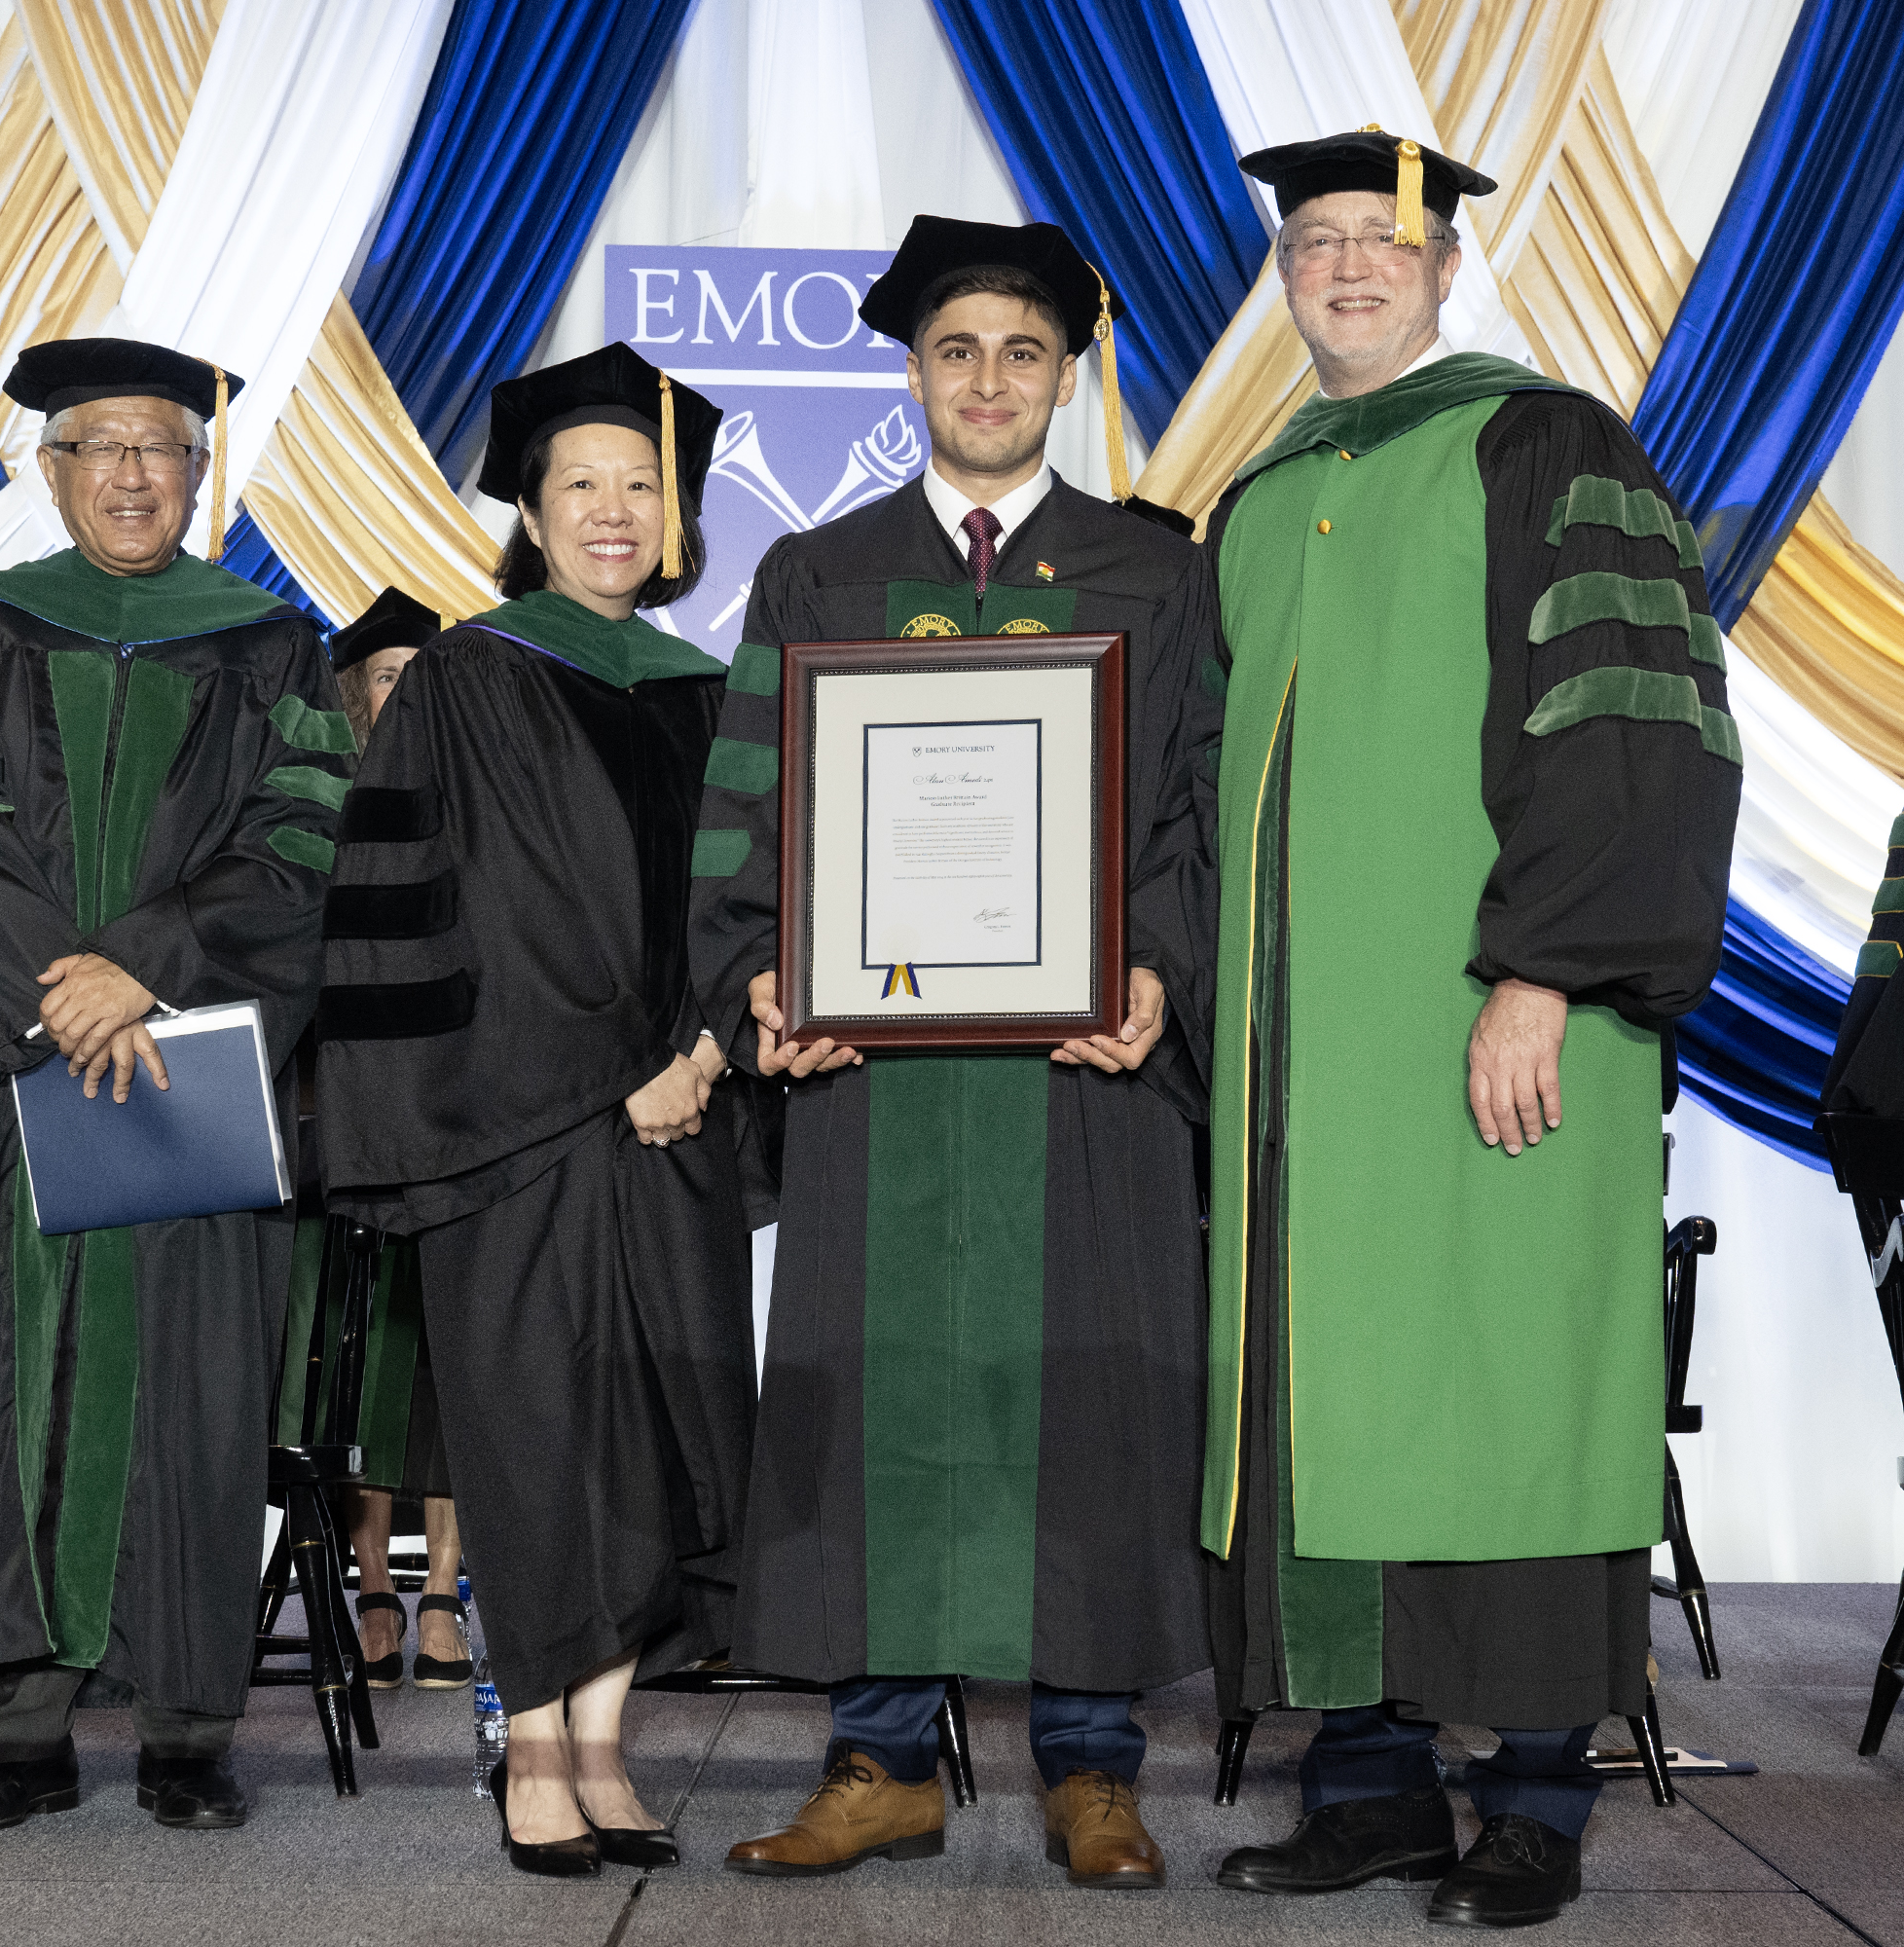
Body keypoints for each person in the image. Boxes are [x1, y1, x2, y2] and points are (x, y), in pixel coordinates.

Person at [1198, 131, 1739, 1929]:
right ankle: (1368, 1790)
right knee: (1327, 1397)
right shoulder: (1262, 496)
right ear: (1284, 272)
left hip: (1495, 1026)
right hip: (1300, 1073)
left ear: (1443, 273)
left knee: (1504, 1385)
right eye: (1320, 241)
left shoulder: (1544, 442)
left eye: (1386, 242)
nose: (1351, 265)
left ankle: (1533, 1799)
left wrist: (1549, 971)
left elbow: (1633, 717)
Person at [687, 218, 1222, 1889]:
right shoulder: (817, 572)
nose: (986, 380)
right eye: (954, 350)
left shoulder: (1159, 570)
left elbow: (1198, 817)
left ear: (1066, 376)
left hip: (1084, 1077)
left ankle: (1091, 1763)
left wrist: (1154, 968)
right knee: (885, 1390)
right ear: (912, 373)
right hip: (882, 1077)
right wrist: (763, 977)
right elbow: (746, 819)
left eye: (1021, 352)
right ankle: (879, 1755)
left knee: (1086, 1390)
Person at [0, 336, 347, 1835]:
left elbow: (306, 834)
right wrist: (64, 995)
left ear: (200, 476)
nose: (135, 474)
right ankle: (15, 1727)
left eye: (163, 448)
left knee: (193, 1388)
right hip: (17, 1071)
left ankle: (187, 1726)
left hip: (187, 1058)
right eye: (103, 446)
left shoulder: (273, 648)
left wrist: (145, 962)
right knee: (8, 1384)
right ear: (51, 466)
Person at [316, 344, 758, 1878]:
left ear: (680, 512)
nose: (616, 510)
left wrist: (706, 1052)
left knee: (656, 1428)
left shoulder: (716, 694)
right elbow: (464, 926)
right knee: (532, 1432)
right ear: (530, 504)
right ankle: (532, 1749)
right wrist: (609, 1072)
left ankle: (609, 1746)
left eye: (644, 484)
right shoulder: (466, 679)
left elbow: (759, 902)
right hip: (513, 1133)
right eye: (583, 484)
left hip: (682, 1122)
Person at [301, 586, 467, 1689]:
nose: (401, 692)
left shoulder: (478, 807)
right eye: (383, 675)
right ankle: (370, 1579)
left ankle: (447, 1588)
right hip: (337, 1114)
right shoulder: (310, 811)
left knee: (455, 1360)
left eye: (420, 674)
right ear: (353, 699)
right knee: (355, 1360)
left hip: (453, 1113)